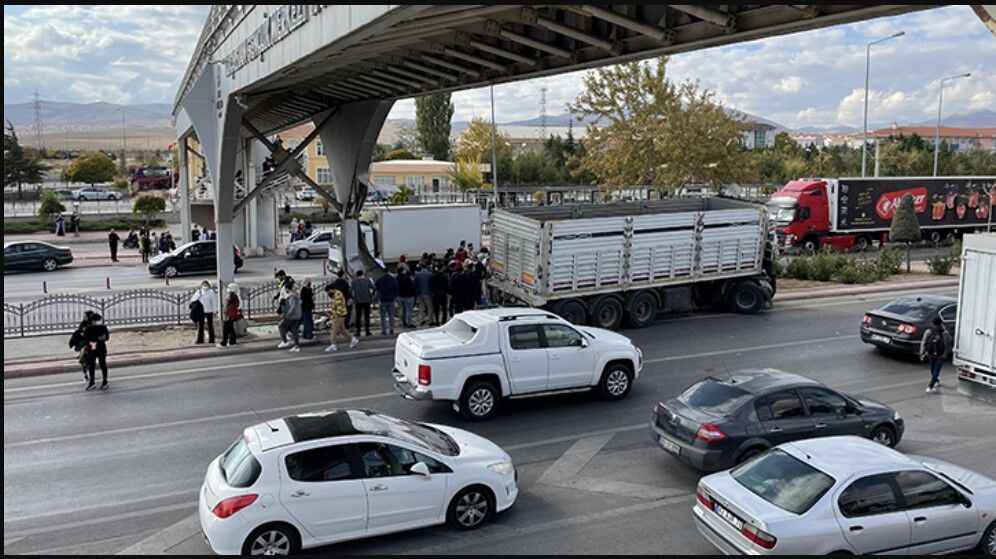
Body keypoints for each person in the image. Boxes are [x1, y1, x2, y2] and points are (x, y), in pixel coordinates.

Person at [920, 317, 952, 393]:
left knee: (932, 368)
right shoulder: (944, 333)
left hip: (930, 353)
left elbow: (923, 342)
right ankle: (930, 387)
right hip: (941, 355)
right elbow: (949, 341)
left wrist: (922, 352)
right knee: (936, 371)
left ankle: (936, 381)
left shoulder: (929, 331)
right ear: (941, 323)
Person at [324, 283, 359, 352]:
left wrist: (335, 315)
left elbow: (339, 306)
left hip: (338, 315)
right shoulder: (336, 294)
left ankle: (333, 345)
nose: (328, 293)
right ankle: (352, 339)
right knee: (341, 329)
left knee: (334, 330)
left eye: (328, 291)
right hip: (340, 314)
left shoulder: (337, 294)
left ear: (331, 289)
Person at [83, 313, 110, 391]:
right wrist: (99, 338)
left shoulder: (89, 328)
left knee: (94, 365)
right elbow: (106, 337)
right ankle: (102, 381)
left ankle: (94, 382)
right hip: (98, 348)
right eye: (95, 320)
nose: (96, 322)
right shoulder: (102, 328)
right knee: (101, 365)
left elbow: (86, 339)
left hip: (93, 348)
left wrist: (92, 341)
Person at [69, 310, 96, 383]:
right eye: (84, 316)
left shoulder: (93, 324)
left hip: (91, 345)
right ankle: (85, 375)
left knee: (91, 361)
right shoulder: (83, 324)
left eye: (85, 316)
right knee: (83, 361)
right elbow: (80, 333)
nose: (84, 317)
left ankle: (91, 375)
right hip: (83, 345)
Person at [277, 281, 302, 352]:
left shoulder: (291, 296)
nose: (285, 291)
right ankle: (296, 346)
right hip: (298, 316)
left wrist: (287, 315)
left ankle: (285, 341)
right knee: (294, 330)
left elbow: (292, 307)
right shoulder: (296, 294)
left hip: (292, 316)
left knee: (281, 326)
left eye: (285, 289)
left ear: (288, 289)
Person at [351, 269, 375, 337]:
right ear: (362, 274)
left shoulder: (354, 281)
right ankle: (367, 331)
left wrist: (353, 297)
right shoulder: (367, 280)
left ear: (357, 275)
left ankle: (358, 332)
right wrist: (371, 295)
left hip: (358, 301)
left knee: (358, 316)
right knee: (367, 316)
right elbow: (373, 288)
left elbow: (351, 290)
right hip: (367, 300)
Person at [375, 267, 399, 335]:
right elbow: (396, 289)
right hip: (391, 299)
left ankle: (384, 331)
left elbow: (376, 288)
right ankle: (391, 330)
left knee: (382, 317)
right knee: (391, 316)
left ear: (382, 272)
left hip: (382, 300)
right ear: (388, 271)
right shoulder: (392, 279)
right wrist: (394, 296)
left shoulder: (379, 279)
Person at [218, 283, 241, 348]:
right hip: (231, 314)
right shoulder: (236, 295)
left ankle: (224, 343)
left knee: (226, 329)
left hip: (228, 315)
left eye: (229, 287)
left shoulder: (231, 295)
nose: (228, 289)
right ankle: (232, 342)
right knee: (231, 328)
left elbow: (227, 305)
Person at [430, 262, 450, 326]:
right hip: (443, 293)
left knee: (436, 308)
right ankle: (444, 320)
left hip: (435, 294)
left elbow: (431, 285)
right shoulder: (444, 276)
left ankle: (437, 321)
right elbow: (447, 285)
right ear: (442, 268)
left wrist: (432, 292)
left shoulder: (433, 276)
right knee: (444, 308)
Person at [300, 277, 315, 341]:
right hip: (307, 307)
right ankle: (309, 335)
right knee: (307, 321)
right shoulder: (306, 290)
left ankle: (305, 334)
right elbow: (309, 298)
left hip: (305, 307)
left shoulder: (305, 289)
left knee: (306, 321)